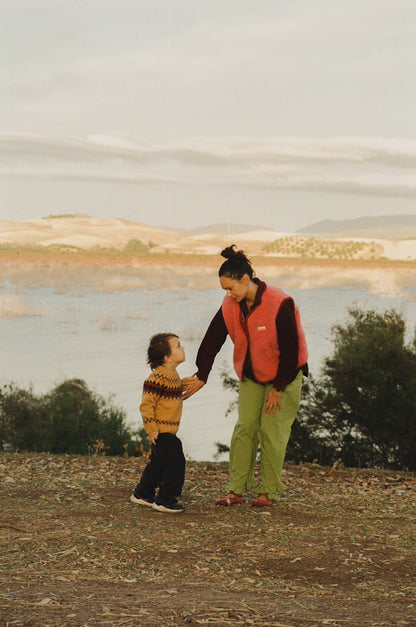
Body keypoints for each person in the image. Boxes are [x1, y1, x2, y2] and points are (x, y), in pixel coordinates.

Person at [182, 245, 308, 507]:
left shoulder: (279, 302)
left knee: (271, 431)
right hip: (252, 376)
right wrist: (202, 374)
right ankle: (236, 489)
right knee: (244, 429)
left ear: (245, 279)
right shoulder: (230, 305)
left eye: (231, 288)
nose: (228, 294)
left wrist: (278, 387)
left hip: (284, 376)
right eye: (224, 290)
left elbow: (290, 350)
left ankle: (268, 491)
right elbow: (212, 339)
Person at [130, 333, 186, 514]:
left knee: (159, 463)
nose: (183, 348)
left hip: (167, 430)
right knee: (176, 461)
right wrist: (151, 428)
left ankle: (143, 493)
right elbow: (146, 405)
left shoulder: (172, 375)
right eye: (178, 346)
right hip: (161, 432)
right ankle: (166, 499)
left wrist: (185, 384)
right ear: (167, 357)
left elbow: (171, 391)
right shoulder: (156, 378)